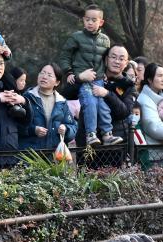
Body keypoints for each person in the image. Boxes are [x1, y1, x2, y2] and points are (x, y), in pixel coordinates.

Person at [58, 4, 117, 146]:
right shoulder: (76, 37)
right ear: (83, 20)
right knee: (90, 101)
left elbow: (105, 59)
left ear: (101, 22)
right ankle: (91, 134)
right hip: (83, 80)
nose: (90, 23)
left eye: (94, 20)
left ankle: (107, 135)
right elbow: (65, 56)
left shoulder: (105, 40)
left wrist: (105, 74)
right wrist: (69, 72)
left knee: (103, 104)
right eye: (87, 20)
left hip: (99, 81)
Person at [20, 63, 76, 151]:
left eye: (49, 75)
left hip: (55, 156)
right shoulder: (27, 98)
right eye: (42, 73)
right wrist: (33, 130)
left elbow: (73, 127)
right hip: (31, 155)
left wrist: (66, 129)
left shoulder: (61, 102)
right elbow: (17, 126)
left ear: (57, 82)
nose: (44, 77)